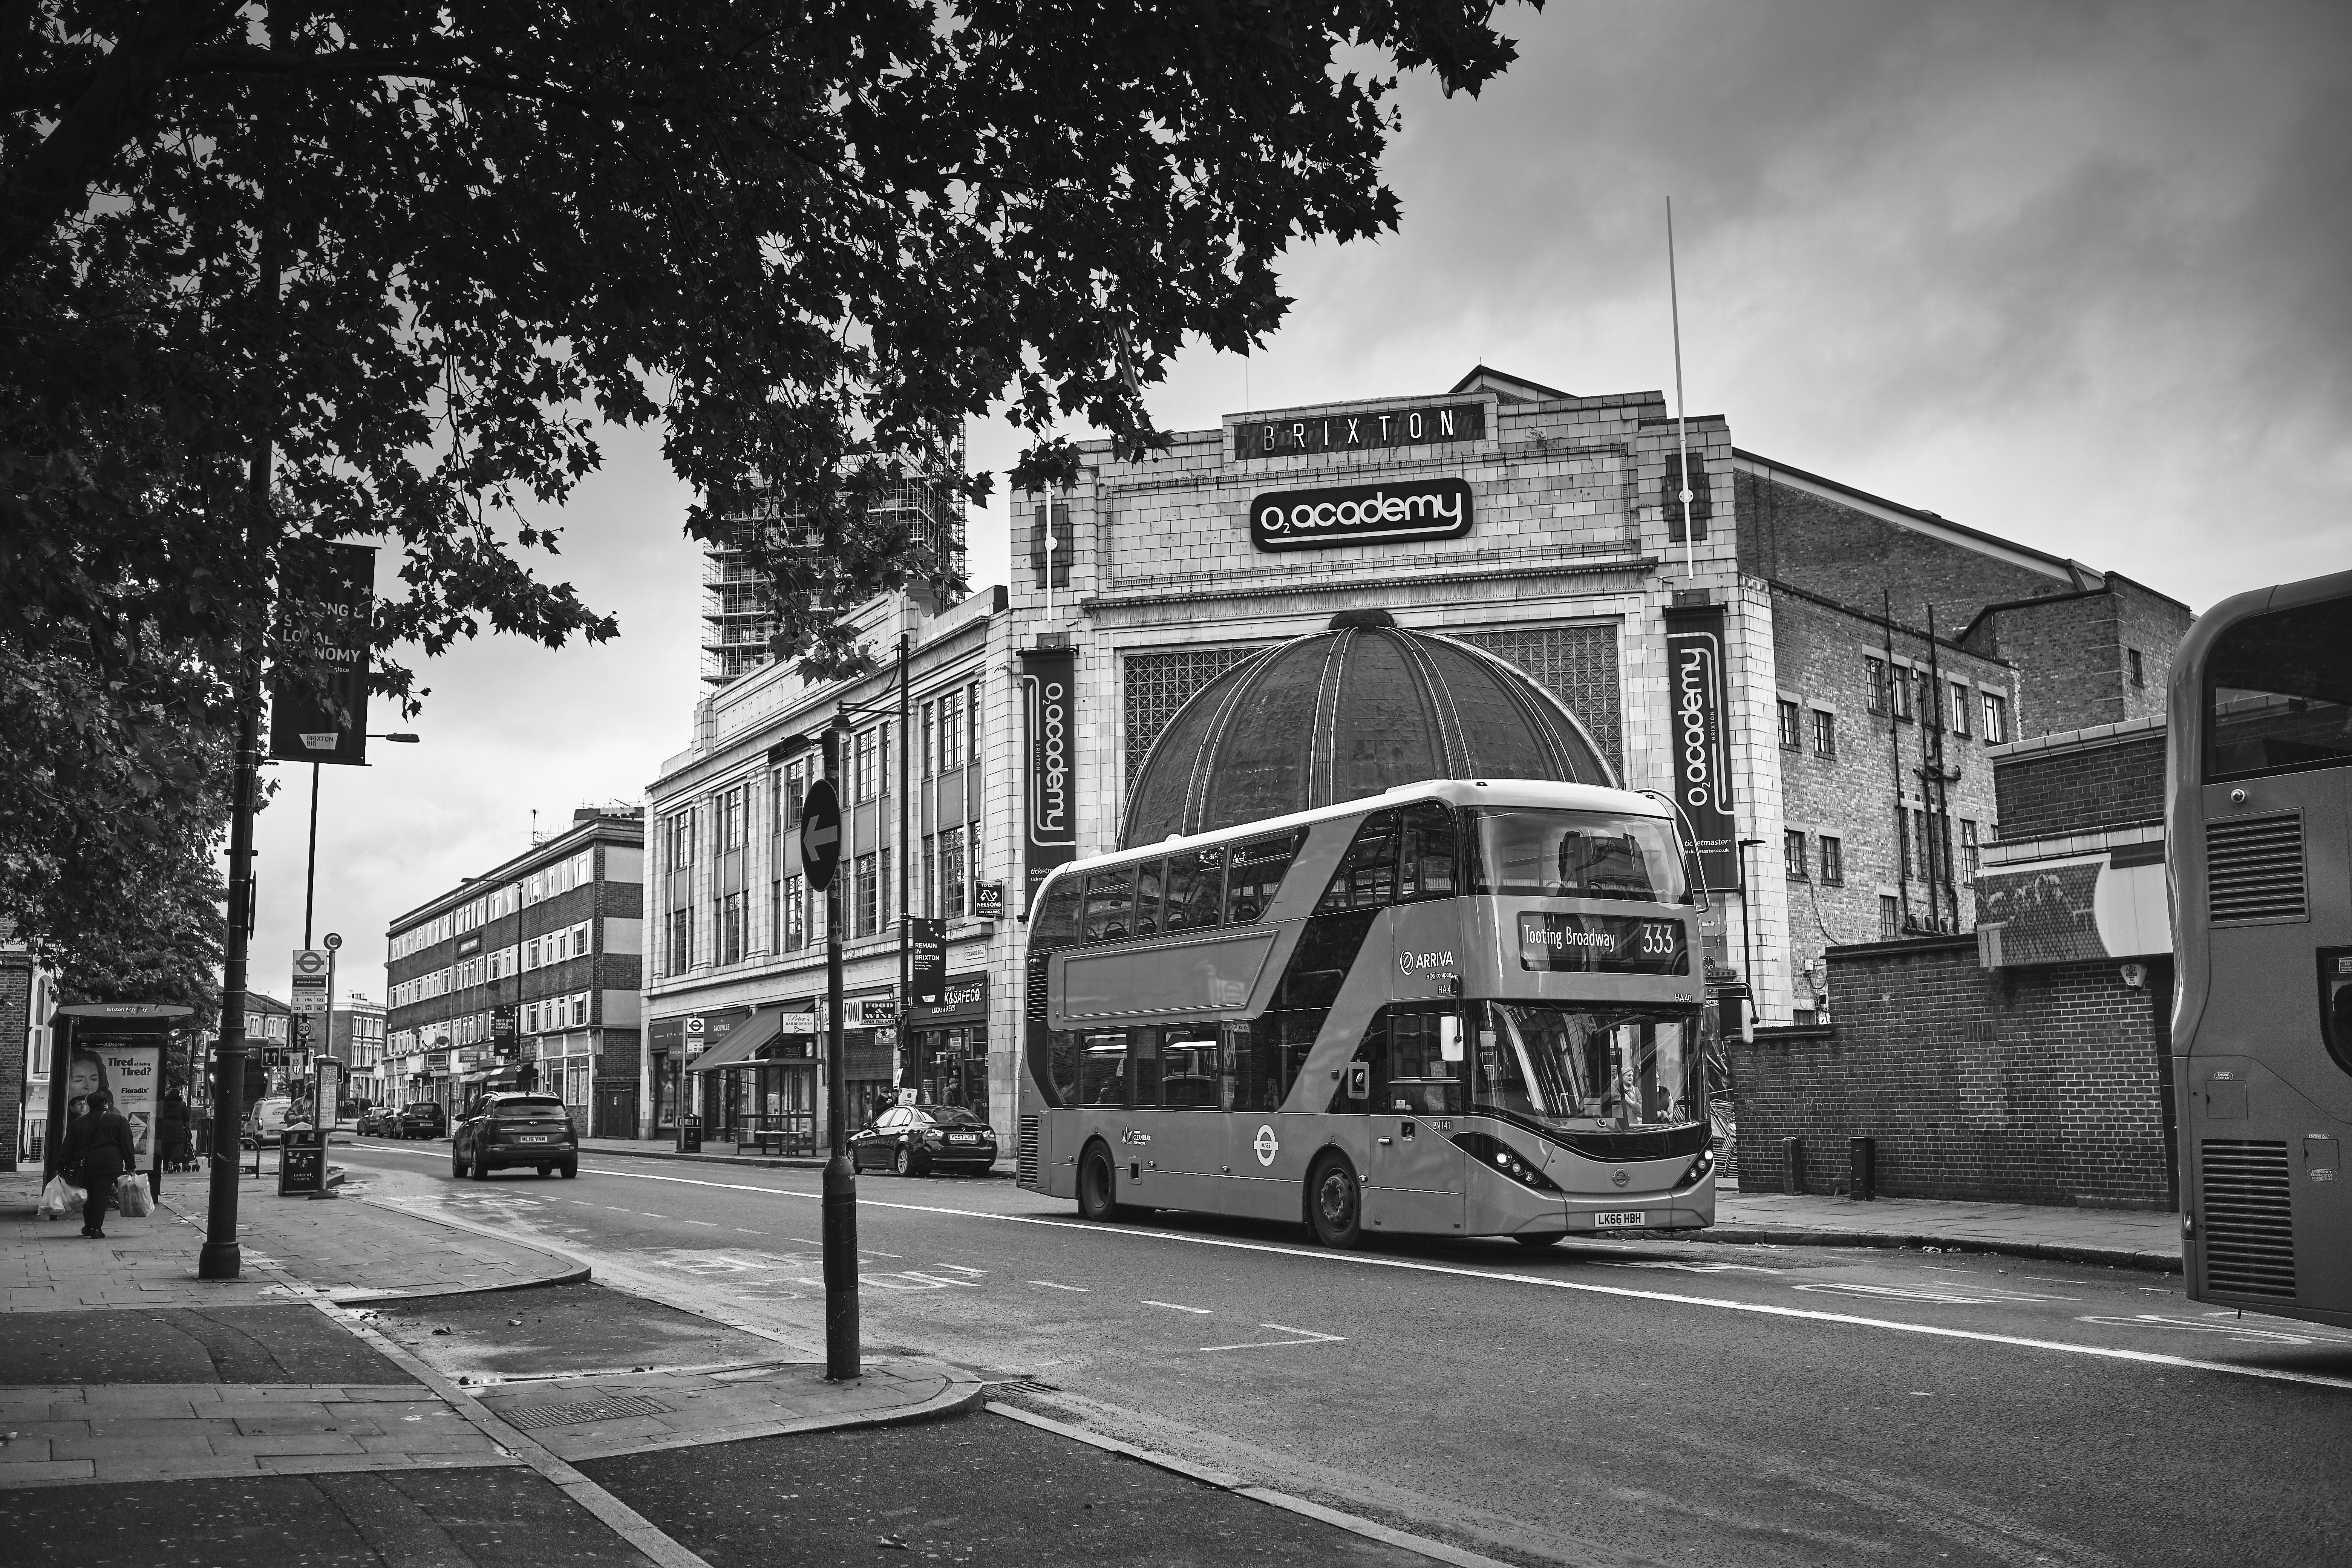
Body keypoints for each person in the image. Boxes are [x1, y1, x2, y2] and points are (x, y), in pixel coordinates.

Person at [60, 1088, 137, 1240]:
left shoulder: (79, 1123)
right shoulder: (119, 1121)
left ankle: (88, 1226)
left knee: (89, 1195)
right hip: (109, 1164)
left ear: (89, 1105)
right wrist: (131, 1165)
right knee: (101, 1195)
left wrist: (60, 1166)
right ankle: (96, 1228)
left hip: (86, 1163)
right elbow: (127, 1145)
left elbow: (68, 1146)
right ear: (105, 1104)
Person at [160, 1090, 194, 1173]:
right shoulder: (182, 1105)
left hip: (165, 1128)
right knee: (177, 1147)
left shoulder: (164, 1105)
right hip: (178, 1128)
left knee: (166, 1146)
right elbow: (186, 1117)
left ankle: (165, 1165)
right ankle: (172, 1162)